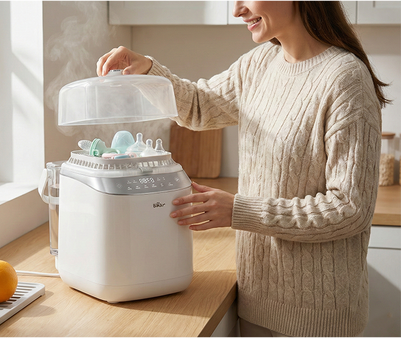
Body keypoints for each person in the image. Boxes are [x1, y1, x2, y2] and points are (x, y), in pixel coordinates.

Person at [96, 2, 390, 336]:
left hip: (318, 317)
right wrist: (147, 69)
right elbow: (197, 106)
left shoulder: (346, 79)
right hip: (256, 302)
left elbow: (349, 209)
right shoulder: (259, 64)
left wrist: (238, 210)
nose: (237, 10)